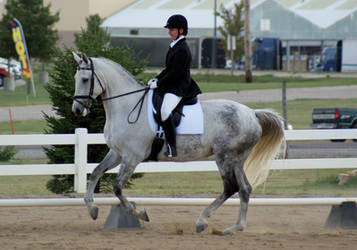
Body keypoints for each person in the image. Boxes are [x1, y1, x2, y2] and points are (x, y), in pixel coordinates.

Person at [147, 14, 201, 157]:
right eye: (169, 29)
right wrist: (155, 79)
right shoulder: (174, 46)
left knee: (165, 111)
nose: (169, 31)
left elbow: (176, 73)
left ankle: (172, 146)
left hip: (179, 87)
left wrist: (159, 83)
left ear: (181, 31)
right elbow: (167, 69)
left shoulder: (182, 49)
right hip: (171, 84)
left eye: (172, 29)